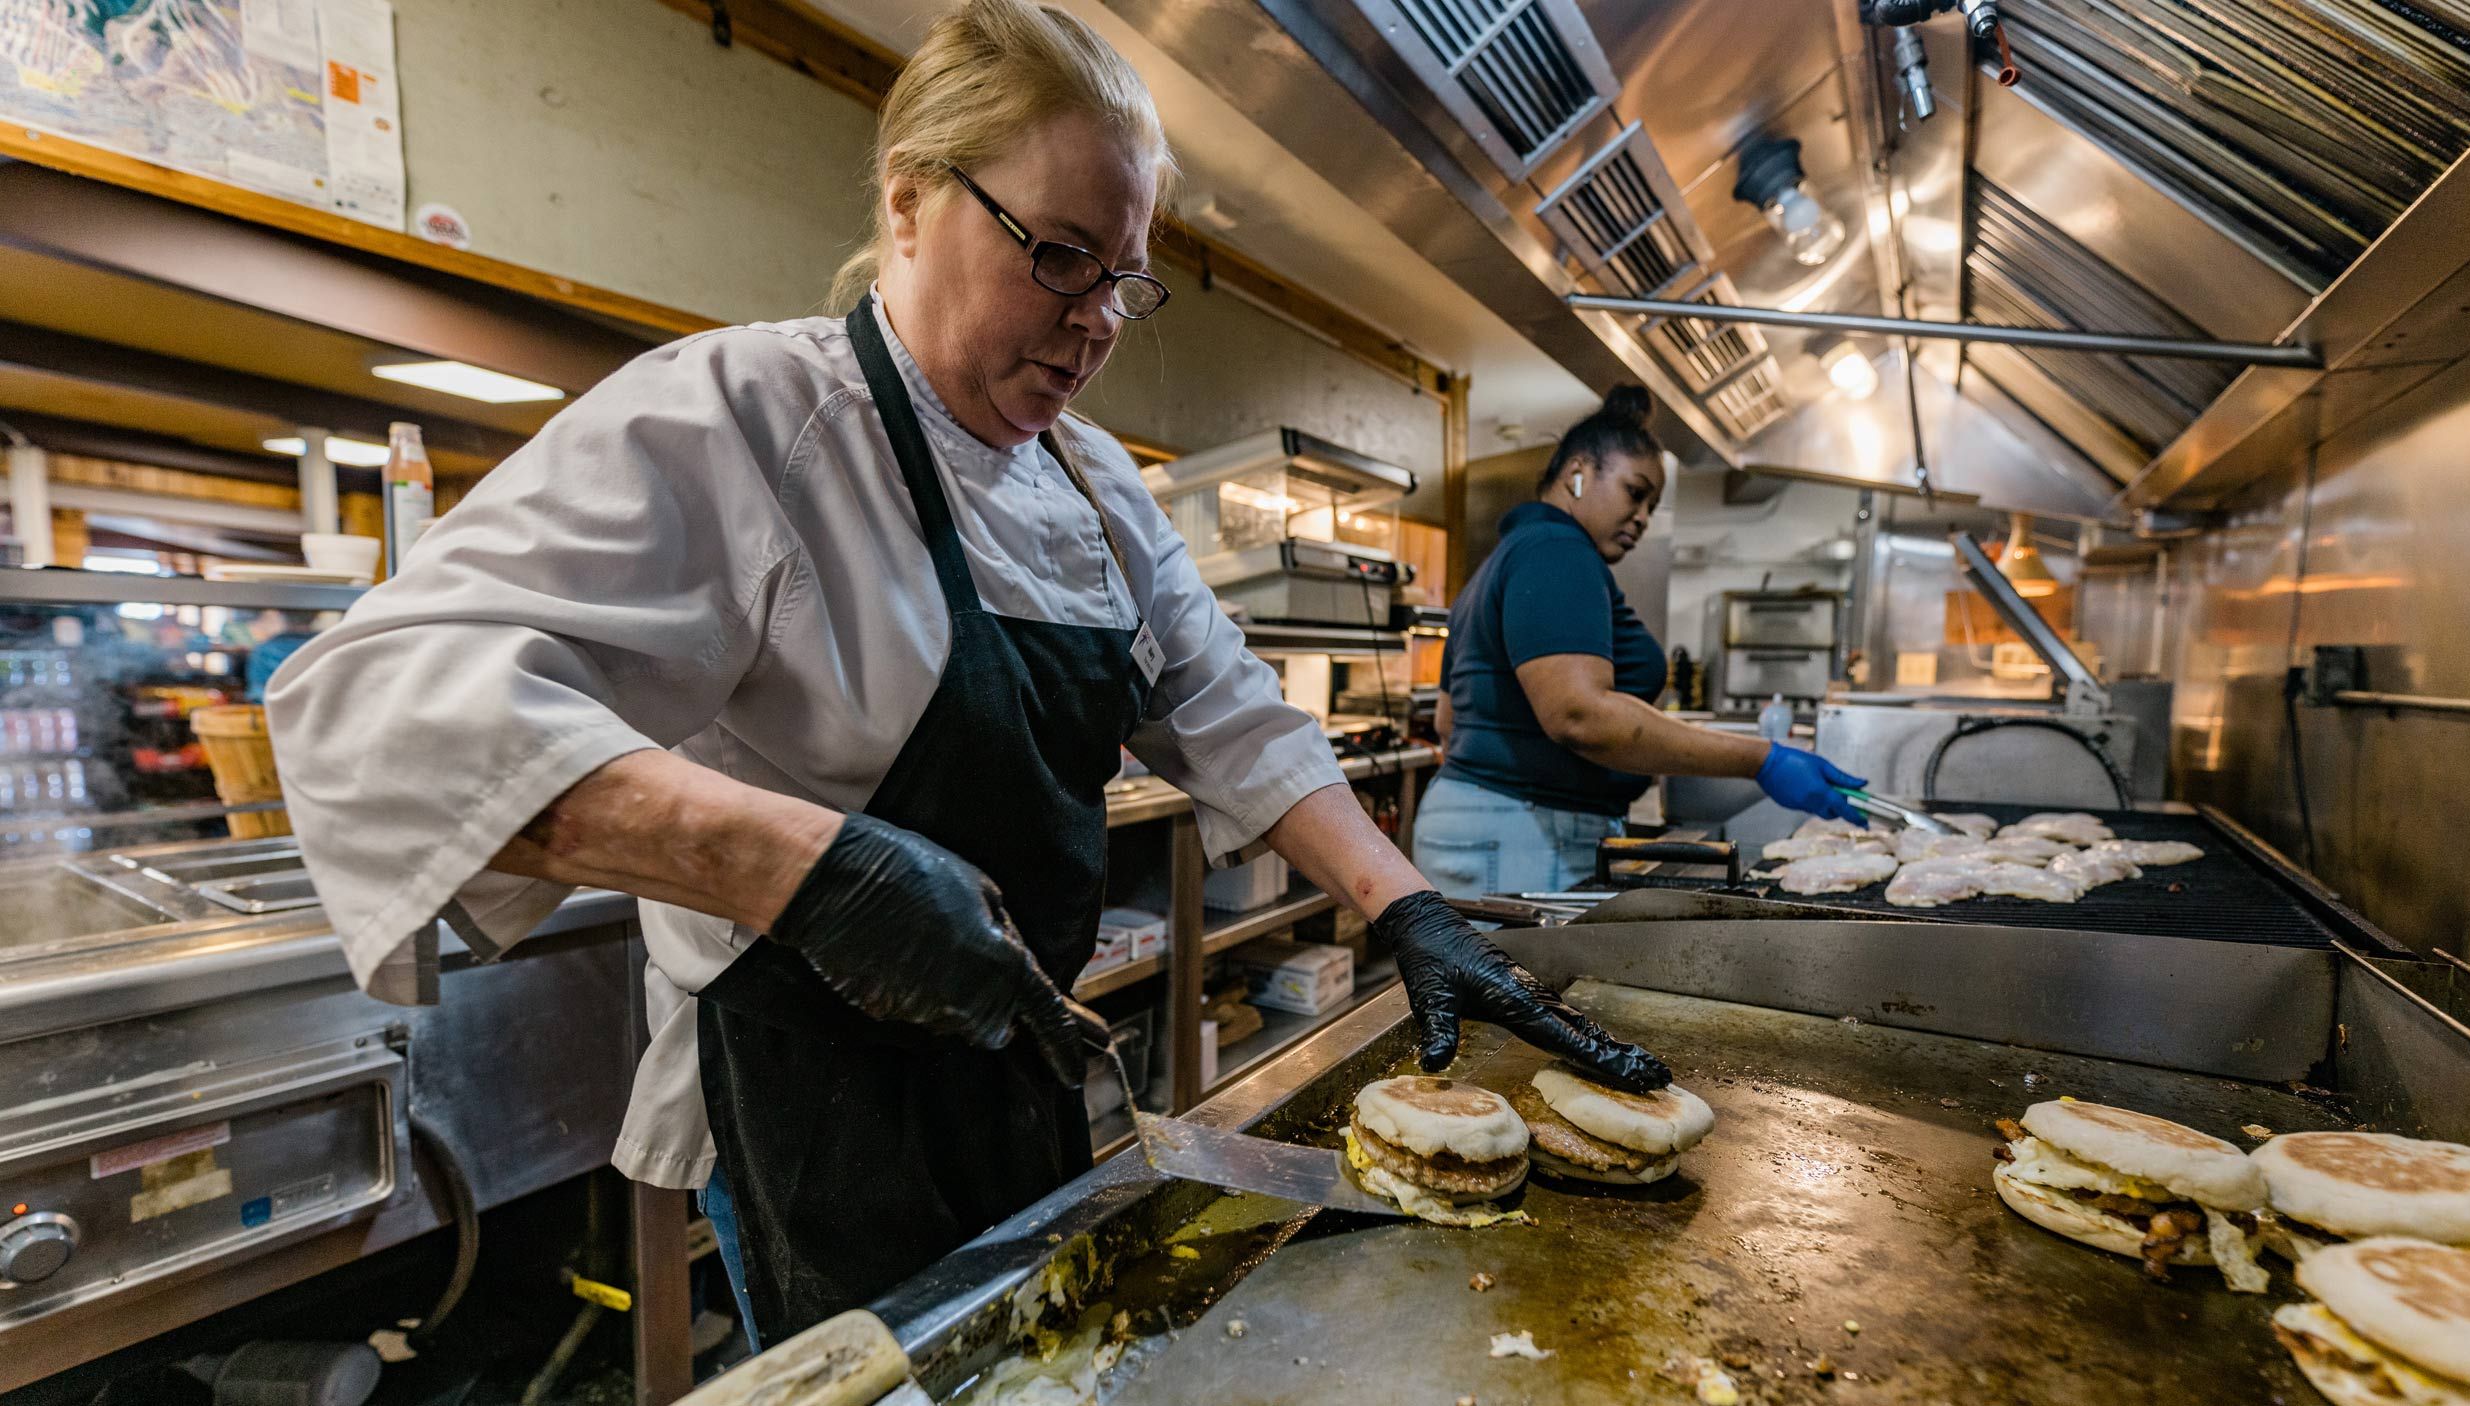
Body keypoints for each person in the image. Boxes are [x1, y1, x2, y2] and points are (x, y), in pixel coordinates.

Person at [266, 0, 1667, 1352]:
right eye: (1058, 255)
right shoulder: (752, 415)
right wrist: (811, 871)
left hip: (1023, 1064)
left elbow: (1228, 707)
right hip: (818, 1101)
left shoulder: (1096, 482)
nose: (1098, 319)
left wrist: (1405, 903)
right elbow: (378, 705)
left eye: (1123, 277)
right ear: (908, 203)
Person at [1415, 385, 1864, 898]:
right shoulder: (1557, 549)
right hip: (1523, 835)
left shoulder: (1500, 563)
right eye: (1635, 492)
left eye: (1652, 505)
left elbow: (1447, 723)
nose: (1644, 517)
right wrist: (1761, 759)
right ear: (1578, 472)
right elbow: (1579, 714)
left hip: (1479, 825)